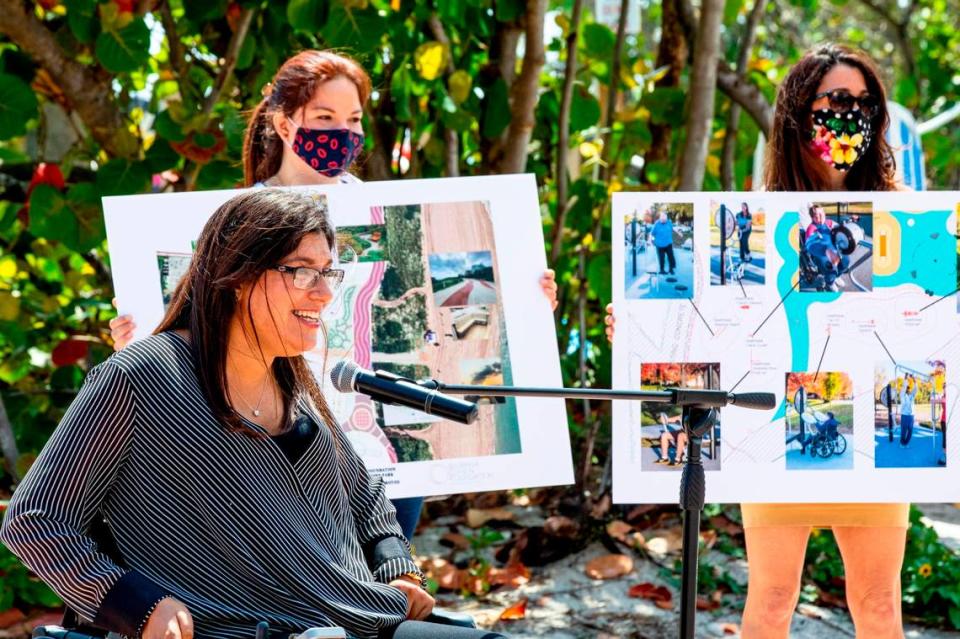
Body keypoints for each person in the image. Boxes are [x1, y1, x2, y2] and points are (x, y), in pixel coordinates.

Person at [1, 189, 508, 639]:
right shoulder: (142, 373)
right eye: (302, 271)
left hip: (365, 618)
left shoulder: (292, 376)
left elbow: (366, 497)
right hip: (245, 629)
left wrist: (396, 565)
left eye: (328, 271)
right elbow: (35, 519)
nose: (327, 292)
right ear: (238, 276)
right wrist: (135, 605)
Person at [106, 50, 559, 542]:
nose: (341, 133)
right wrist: (142, 334)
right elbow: (194, 327)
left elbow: (473, 309)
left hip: (385, 453)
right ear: (283, 124)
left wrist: (524, 307)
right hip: (278, 439)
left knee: (386, 575)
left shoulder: (388, 206)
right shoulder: (233, 223)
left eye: (354, 119)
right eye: (324, 118)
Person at [607, 44, 908, 638]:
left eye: (867, 103)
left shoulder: (902, 214)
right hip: (772, 430)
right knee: (771, 601)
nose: (854, 115)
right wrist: (636, 330)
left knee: (878, 605)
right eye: (838, 101)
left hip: (871, 440)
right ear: (800, 111)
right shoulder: (755, 217)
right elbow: (716, 326)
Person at [804, 206, 849, 291]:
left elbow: (840, 229)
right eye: (817, 216)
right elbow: (810, 244)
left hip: (834, 249)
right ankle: (830, 282)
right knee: (829, 266)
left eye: (822, 214)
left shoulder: (829, 223)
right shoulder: (811, 228)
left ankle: (837, 276)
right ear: (813, 217)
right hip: (820, 254)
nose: (821, 217)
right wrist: (825, 250)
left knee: (845, 260)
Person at [650, 210, 676, 275]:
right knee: (661, 258)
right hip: (659, 245)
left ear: (666, 218)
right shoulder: (656, 224)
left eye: (665, 219)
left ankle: (671, 269)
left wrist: (678, 232)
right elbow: (651, 233)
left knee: (671, 257)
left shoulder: (669, 222)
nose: (664, 220)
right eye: (662, 219)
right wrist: (650, 240)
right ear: (660, 218)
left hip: (668, 243)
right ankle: (662, 270)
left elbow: (672, 228)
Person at [898, 374, 917, 447]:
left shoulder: (912, 395)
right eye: (907, 388)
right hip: (905, 415)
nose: (908, 389)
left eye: (909, 388)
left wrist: (913, 379)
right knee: (904, 430)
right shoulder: (902, 395)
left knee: (910, 431)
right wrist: (905, 378)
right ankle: (902, 443)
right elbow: (903, 387)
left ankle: (906, 443)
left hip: (911, 416)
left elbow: (915, 389)